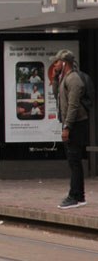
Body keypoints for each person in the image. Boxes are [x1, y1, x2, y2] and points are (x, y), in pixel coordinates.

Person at [52, 49, 90, 209]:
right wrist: (54, 79)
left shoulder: (73, 79)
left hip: (76, 124)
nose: (55, 64)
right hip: (71, 123)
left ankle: (75, 196)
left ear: (64, 62)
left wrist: (67, 127)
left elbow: (73, 106)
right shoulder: (64, 78)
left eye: (57, 62)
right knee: (73, 161)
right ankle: (79, 196)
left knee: (74, 161)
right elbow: (58, 97)